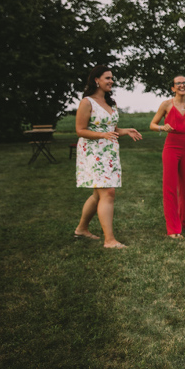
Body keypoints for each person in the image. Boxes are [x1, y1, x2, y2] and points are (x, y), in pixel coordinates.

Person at [74, 65, 142, 249]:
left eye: (112, 78)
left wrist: (125, 131)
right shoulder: (87, 102)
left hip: (109, 152)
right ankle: (109, 240)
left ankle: (81, 229)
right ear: (96, 80)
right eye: (107, 78)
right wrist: (102, 136)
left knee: (98, 194)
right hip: (93, 152)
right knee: (108, 192)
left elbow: (111, 129)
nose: (111, 81)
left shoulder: (111, 103)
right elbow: (80, 130)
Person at [149, 75, 185, 239]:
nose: (182, 85)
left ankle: (184, 221)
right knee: (170, 188)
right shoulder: (166, 104)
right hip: (171, 147)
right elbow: (152, 125)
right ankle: (173, 228)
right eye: (178, 83)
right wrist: (162, 128)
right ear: (173, 88)